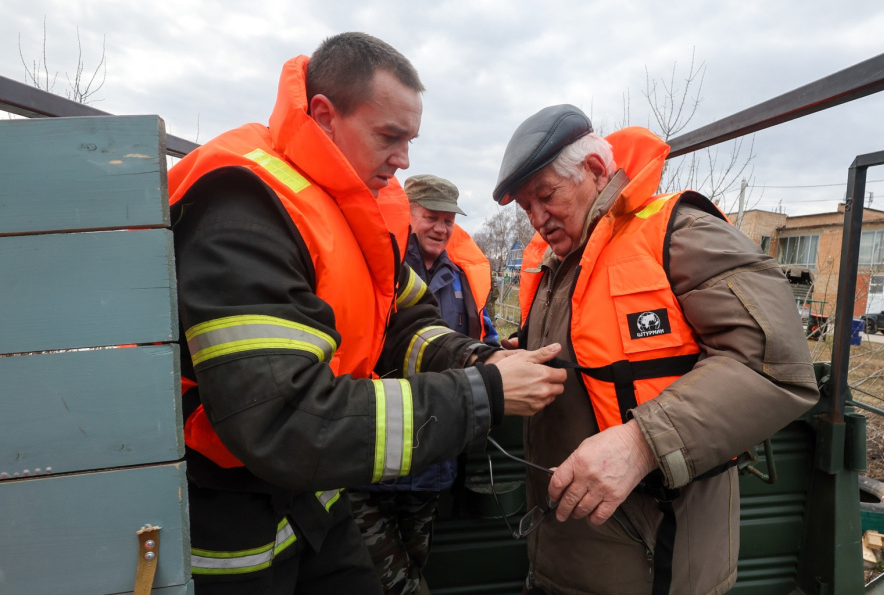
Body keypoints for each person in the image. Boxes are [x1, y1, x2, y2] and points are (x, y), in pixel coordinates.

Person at [168, 33, 566, 595]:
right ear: (325, 116)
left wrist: (478, 355)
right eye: (390, 136)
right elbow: (285, 418)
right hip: (229, 519)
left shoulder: (348, 211)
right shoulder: (244, 208)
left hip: (316, 500)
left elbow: (404, 321)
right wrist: (487, 390)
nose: (404, 159)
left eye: (410, 140)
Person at [492, 104, 820, 595]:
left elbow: (773, 366)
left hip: (654, 561)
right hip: (560, 555)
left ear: (596, 170)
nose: (537, 219)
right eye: (526, 208)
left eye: (546, 196)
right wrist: (515, 355)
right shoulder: (555, 267)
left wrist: (641, 442)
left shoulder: (680, 233)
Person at [350, 174, 500, 594]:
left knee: (417, 557)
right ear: (408, 214)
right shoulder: (380, 264)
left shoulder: (462, 277)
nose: (441, 228)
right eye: (431, 216)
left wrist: (500, 350)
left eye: (448, 220)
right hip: (371, 449)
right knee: (379, 573)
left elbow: (481, 335)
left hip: (434, 450)